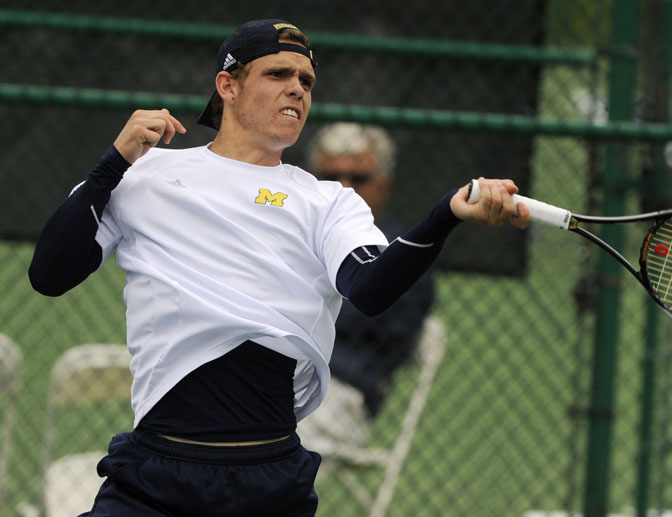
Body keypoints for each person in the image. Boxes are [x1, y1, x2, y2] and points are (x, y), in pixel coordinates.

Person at [28, 19, 529, 516]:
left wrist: (444, 215)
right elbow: (50, 275)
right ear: (228, 85)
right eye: (278, 74)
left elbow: (372, 289)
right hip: (153, 474)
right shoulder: (146, 173)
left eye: (306, 81)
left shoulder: (329, 201)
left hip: (268, 482)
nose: (297, 88)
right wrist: (111, 163)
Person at [298, 123, 434, 464]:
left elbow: (379, 317)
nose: (344, 188)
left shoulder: (405, 252)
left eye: (358, 179)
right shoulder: (296, 233)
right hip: (275, 376)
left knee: (253, 436)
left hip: (342, 394)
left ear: (384, 184)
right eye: (331, 175)